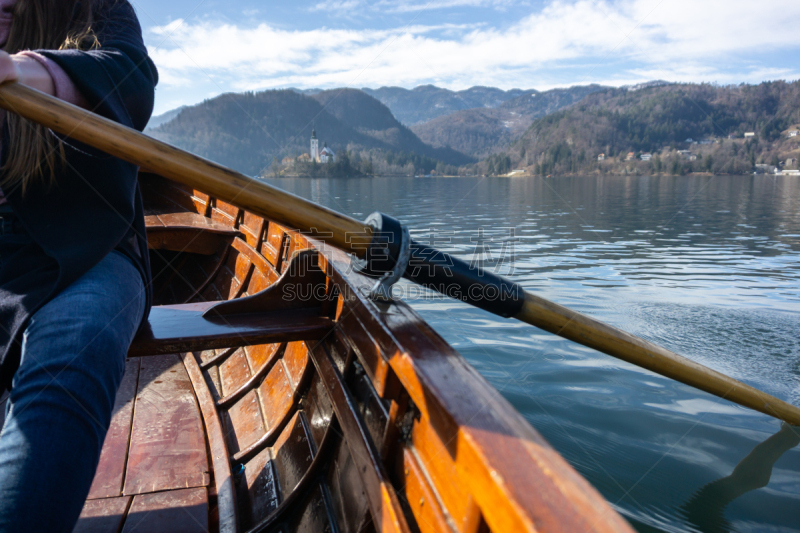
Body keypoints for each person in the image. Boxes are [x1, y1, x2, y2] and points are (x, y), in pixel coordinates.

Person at [0, 0, 157, 531]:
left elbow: (131, 75)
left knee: (74, 344)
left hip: (95, 248)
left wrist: (23, 71)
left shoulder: (97, 8)